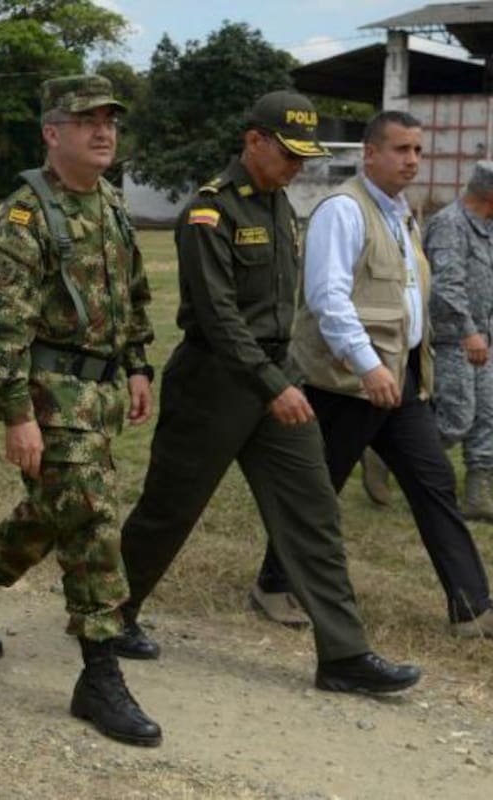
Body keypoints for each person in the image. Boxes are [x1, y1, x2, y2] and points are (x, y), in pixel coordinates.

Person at [116, 92, 423, 696]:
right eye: (287, 154)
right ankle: (107, 614)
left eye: (303, 157)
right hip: (215, 385)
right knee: (168, 512)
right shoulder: (209, 213)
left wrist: (285, 378)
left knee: (313, 512)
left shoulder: (282, 207)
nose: (297, 167)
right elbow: (218, 316)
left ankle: (343, 654)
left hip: (275, 383)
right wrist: (272, 384)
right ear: (253, 141)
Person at [0, 75, 162, 747]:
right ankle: (99, 672)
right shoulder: (29, 216)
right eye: (87, 120)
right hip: (50, 398)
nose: (104, 131)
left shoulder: (111, 204)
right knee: (91, 519)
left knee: (51, 512)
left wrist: (139, 366)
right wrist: (16, 416)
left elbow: (135, 295)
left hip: (102, 395)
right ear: (52, 133)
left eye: (110, 120)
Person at [288, 110, 493, 639]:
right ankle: (273, 581)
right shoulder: (343, 210)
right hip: (349, 380)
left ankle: (472, 607)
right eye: (401, 149)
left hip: (400, 379)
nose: (413, 161)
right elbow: (327, 298)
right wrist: (367, 364)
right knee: (320, 488)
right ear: (370, 153)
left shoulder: (401, 213)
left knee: (434, 485)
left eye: (418, 151)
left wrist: (396, 368)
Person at [424, 161, 493, 522]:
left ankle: (477, 496)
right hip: (455, 338)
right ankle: (394, 455)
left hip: (484, 337)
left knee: (487, 416)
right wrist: (469, 332)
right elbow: (446, 286)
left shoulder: (488, 226)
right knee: (456, 418)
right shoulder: (450, 224)